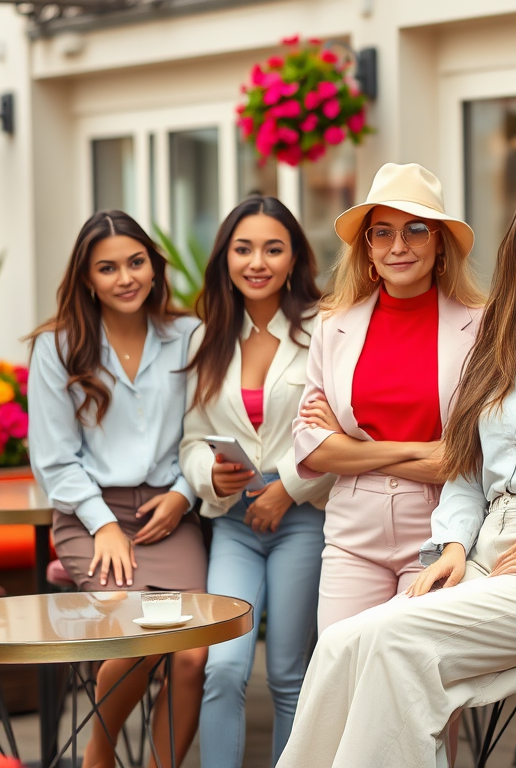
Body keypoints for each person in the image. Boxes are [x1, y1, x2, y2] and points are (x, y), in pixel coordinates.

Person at [276, 176, 516, 768]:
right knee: (339, 642)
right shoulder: (500, 342)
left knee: (393, 640)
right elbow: (467, 472)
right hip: (486, 549)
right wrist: (454, 544)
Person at [27, 211, 205, 768]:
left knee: (191, 654)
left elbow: (202, 431)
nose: (125, 277)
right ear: (87, 278)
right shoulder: (57, 348)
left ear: (154, 266)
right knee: (136, 636)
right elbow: (55, 460)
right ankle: (98, 755)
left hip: (169, 511)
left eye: (135, 262)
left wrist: (183, 494)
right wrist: (102, 523)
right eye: (108, 268)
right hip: (88, 516)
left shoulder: (189, 337)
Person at [291, 162, 485, 632]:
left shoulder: (480, 325)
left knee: (421, 683)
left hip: (439, 524)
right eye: (383, 233)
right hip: (352, 531)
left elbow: (465, 457)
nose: (398, 246)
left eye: (415, 230)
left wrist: (352, 450)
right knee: (340, 671)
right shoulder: (332, 324)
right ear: (368, 249)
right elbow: (311, 445)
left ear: (439, 242)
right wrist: (420, 451)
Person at [179, 197, 332, 768]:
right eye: (243, 249)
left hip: (303, 517)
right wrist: (211, 477)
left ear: (294, 258)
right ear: (225, 259)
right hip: (235, 524)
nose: (257, 262)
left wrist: (287, 488)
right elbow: (192, 439)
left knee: (290, 671)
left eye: (273, 248)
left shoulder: (325, 331)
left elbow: (341, 432)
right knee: (223, 665)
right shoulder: (206, 338)